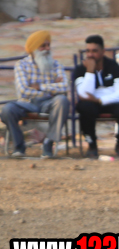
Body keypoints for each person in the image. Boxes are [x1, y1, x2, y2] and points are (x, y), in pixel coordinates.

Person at [2, 30, 70, 159]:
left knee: (62, 100)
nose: (47, 48)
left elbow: (64, 86)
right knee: (7, 109)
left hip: (48, 102)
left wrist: (41, 87)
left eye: (48, 45)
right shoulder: (21, 65)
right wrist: (52, 87)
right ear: (34, 48)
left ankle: (48, 143)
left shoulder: (56, 65)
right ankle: (19, 145)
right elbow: (23, 90)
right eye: (43, 46)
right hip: (27, 103)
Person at [73, 35, 119, 159]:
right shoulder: (81, 69)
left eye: (94, 51)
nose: (90, 55)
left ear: (103, 51)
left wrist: (99, 100)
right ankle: (92, 145)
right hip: (92, 104)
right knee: (84, 107)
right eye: (88, 51)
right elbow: (84, 94)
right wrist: (90, 71)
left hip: (110, 101)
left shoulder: (113, 66)